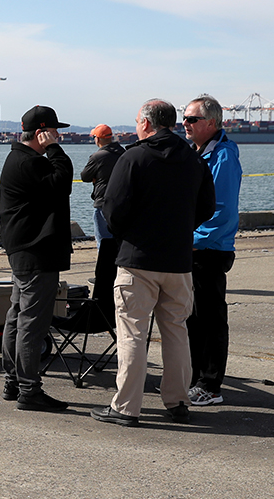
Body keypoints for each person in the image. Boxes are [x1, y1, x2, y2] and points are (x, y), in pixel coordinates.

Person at [92, 99, 215, 427]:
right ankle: (177, 401)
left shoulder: (133, 156)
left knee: (132, 332)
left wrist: (130, 233)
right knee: (176, 331)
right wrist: (181, 228)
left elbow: (113, 209)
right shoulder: (193, 159)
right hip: (179, 261)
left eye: (136, 121)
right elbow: (207, 206)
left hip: (138, 259)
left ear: (146, 124)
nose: (135, 127)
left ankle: (126, 407)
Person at [0, 105, 73, 412]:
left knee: (17, 315)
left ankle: (14, 381)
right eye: (55, 131)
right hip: (36, 251)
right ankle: (29, 388)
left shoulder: (19, 159)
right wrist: (54, 149)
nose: (59, 136)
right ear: (42, 133)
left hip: (24, 250)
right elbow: (63, 182)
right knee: (31, 321)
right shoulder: (30, 162)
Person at [182, 94, 242, 407]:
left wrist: (194, 238)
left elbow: (222, 209)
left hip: (209, 249)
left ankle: (210, 384)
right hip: (195, 247)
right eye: (184, 117)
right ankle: (194, 379)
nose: (185, 123)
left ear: (211, 123)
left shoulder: (223, 155)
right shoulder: (198, 152)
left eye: (192, 119)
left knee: (210, 318)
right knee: (193, 318)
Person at [79, 123, 125, 322]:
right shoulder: (123, 153)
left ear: (97, 139)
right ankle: (120, 276)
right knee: (118, 243)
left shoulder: (98, 156)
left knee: (103, 243)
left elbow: (84, 176)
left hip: (102, 204)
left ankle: (103, 279)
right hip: (123, 206)